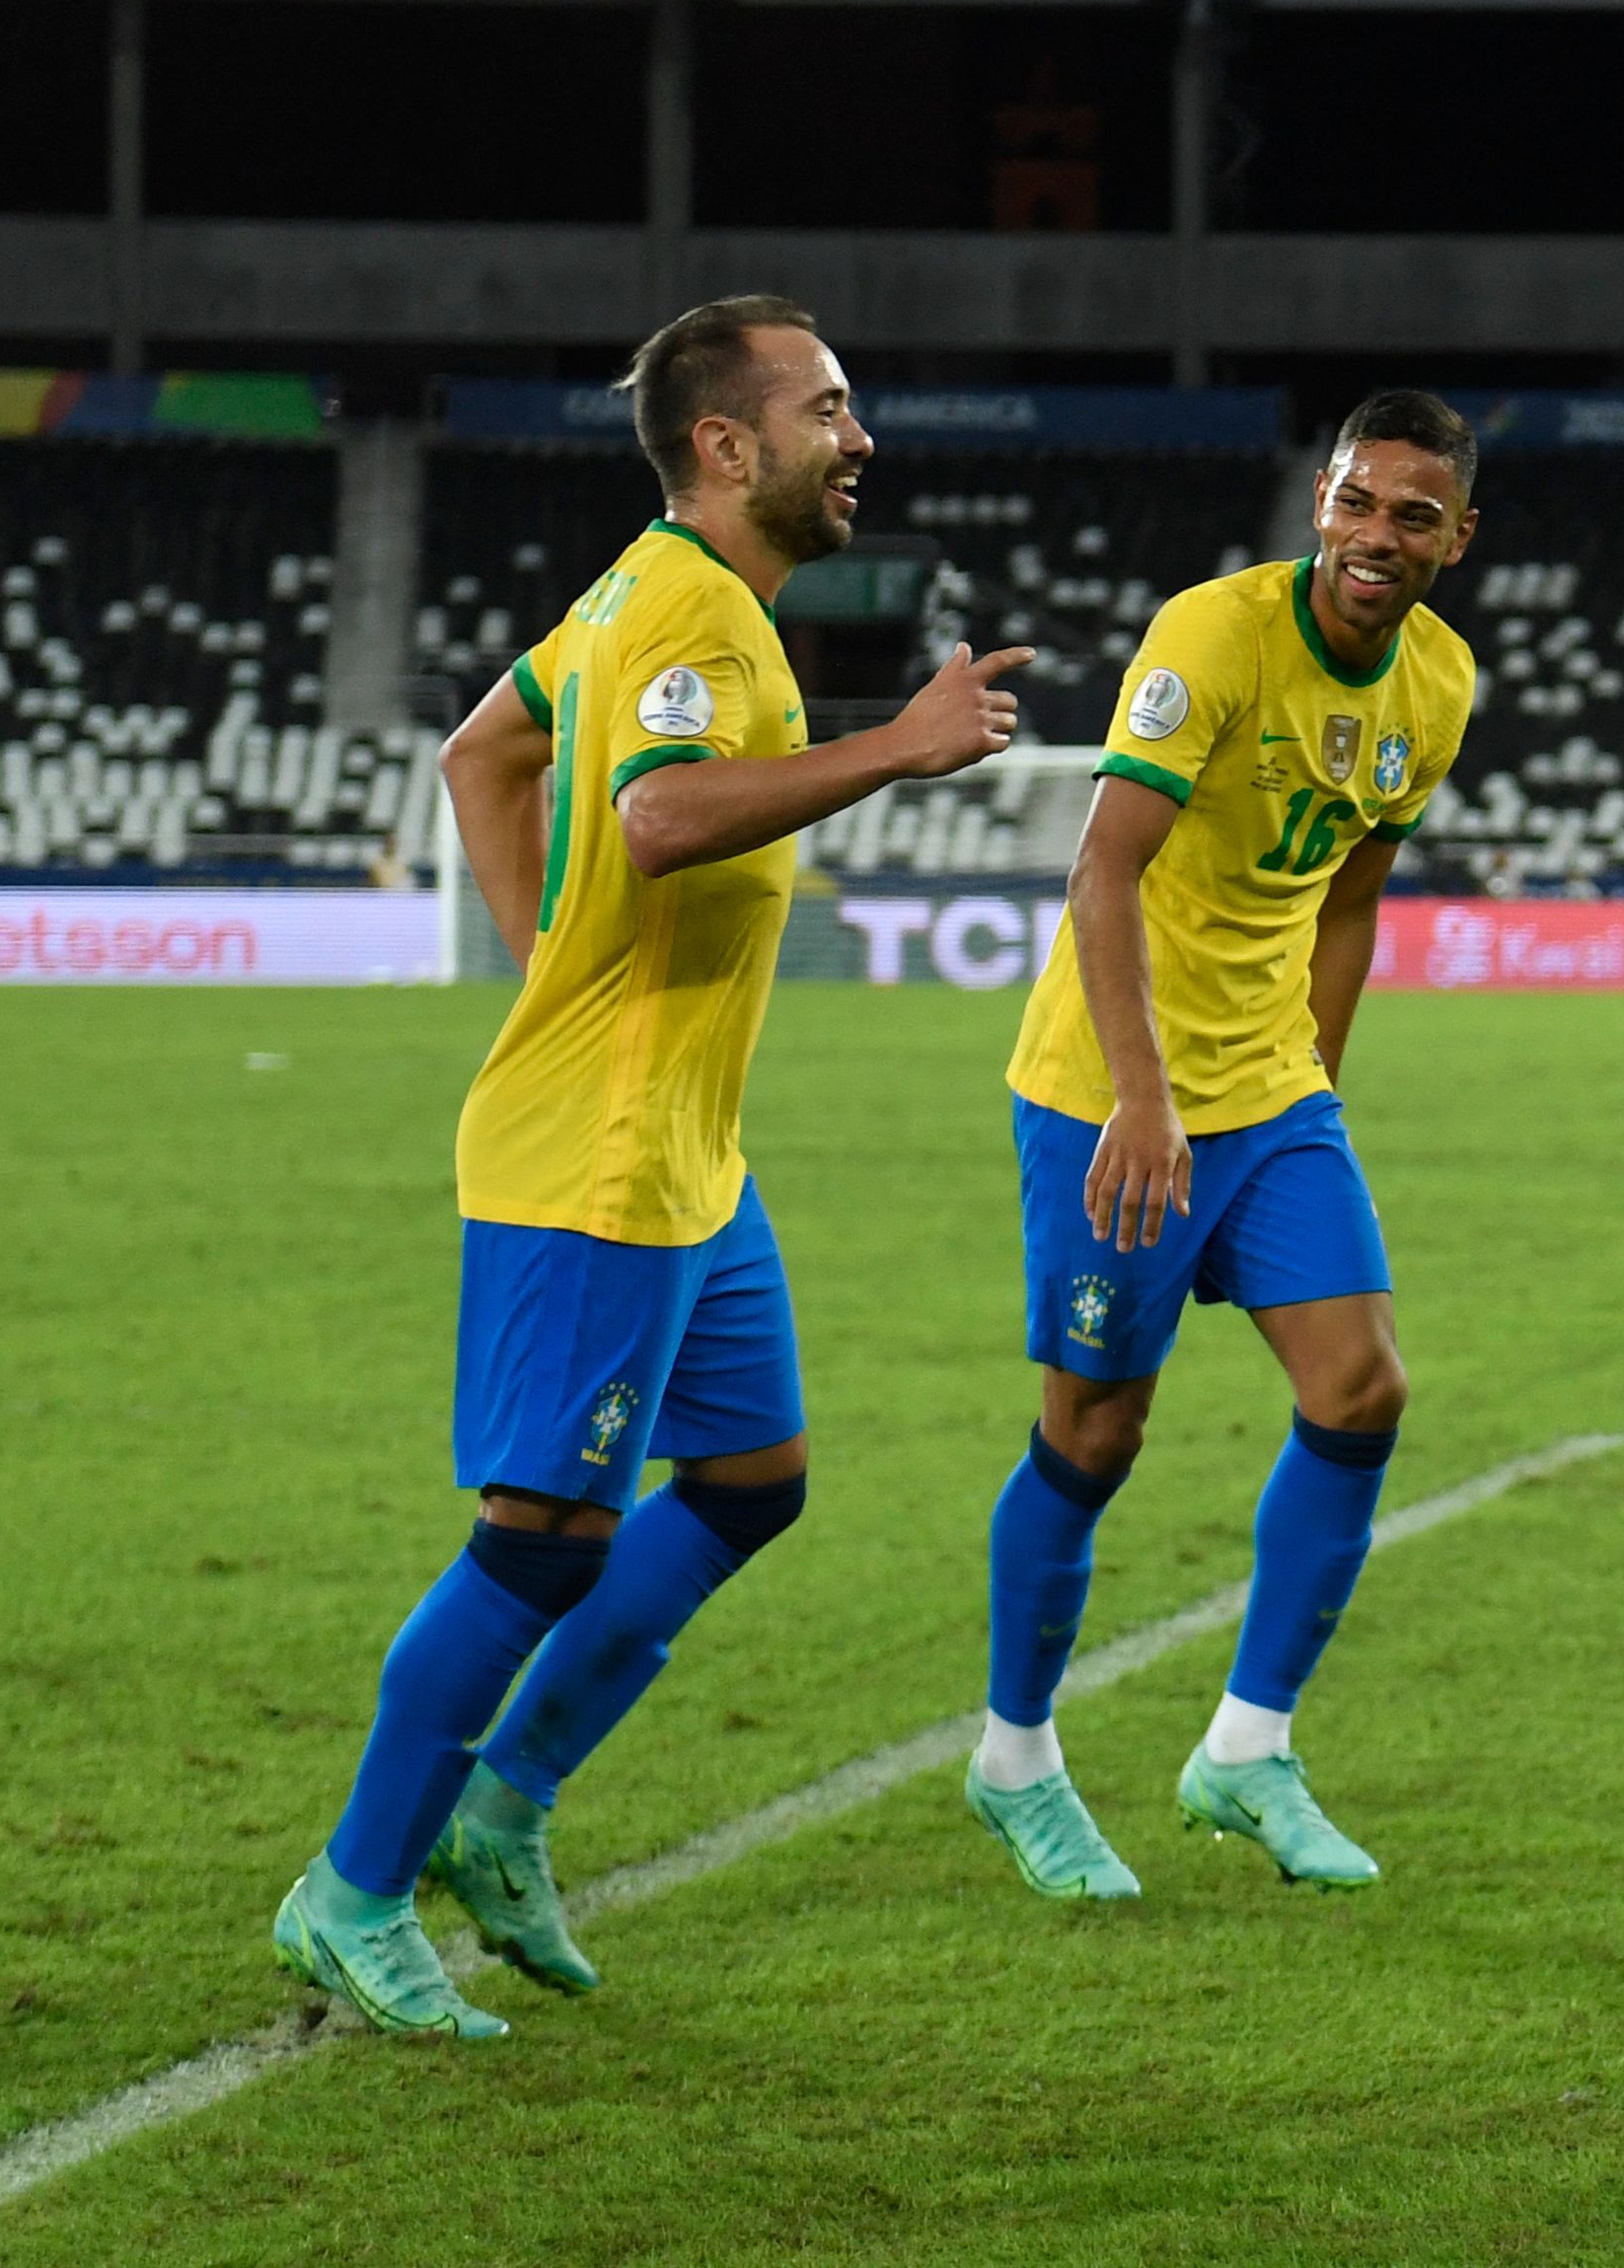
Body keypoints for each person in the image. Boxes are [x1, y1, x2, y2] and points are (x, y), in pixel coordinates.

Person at [272, 295, 1030, 2038]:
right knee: (539, 1537)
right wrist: (901, 746)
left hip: (688, 1147)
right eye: (828, 408)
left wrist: (544, 949)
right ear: (725, 442)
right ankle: (353, 1888)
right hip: (600, 1152)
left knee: (752, 1481)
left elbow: (487, 753)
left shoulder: (645, 594)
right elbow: (664, 816)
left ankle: (500, 1806)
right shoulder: (687, 606)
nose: (860, 437)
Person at [962, 390, 1478, 1900]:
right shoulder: (1214, 634)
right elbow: (1102, 868)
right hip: (1106, 1093)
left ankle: (1245, 1751)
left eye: (1412, 513)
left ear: (1458, 535)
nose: (1376, 536)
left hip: (1269, 1093)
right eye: (1357, 502)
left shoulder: (1438, 684)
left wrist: (1317, 1078)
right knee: (1094, 1432)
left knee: (1361, 1384)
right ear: (1322, 500)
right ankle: (1015, 1760)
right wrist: (1140, 1094)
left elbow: (1353, 894)